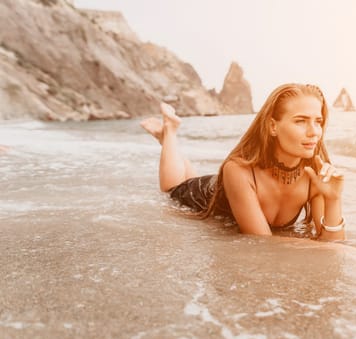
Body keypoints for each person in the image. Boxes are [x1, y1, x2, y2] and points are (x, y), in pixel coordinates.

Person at [141, 83, 345, 241]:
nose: (314, 132)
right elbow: (261, 241)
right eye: (301, 121)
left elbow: (330, 242)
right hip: (202, 194)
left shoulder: (315, 174)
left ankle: (168, 140)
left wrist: (333, 199)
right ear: (273, 126)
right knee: (171, 188)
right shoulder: (238, 169)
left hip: (228, 189)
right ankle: (169, 132)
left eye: (318, 121)